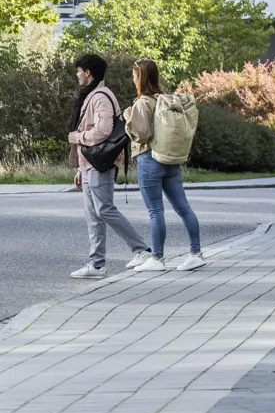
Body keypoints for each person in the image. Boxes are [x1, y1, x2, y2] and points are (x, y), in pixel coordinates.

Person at [67, 53, 151, 278]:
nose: (77, 74)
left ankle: (141, 249)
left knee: (103, 209)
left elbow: (103, 131)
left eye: (79, 70)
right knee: (93, 214)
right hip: (89, 164)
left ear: (88, 72)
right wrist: (79, 168)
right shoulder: (91, 96)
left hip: (100, 164)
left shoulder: (101, 97)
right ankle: (96, 265)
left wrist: (76, 137)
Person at [125, 58, 207, 272]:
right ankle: (196, 253)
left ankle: (157, 258)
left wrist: (128, 119)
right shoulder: (164, 99)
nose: (133, 80)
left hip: (148, 159)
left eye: (135, 76)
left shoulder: (142, 103)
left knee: (155, 211)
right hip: (171, 160)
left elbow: (142, 136)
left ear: (141, 77)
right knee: (183, 208)